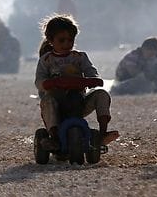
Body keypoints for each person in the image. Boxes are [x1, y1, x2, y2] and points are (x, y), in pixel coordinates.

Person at [34, 14, 118, 150]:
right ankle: (54, 137)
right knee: (48, 100)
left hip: (79, 101)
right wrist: (48, 83)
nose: (67, 44)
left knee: (101, 94)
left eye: (70, 40)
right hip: (57, 102)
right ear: (51, 40)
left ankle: (102, 132)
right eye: (62, 40)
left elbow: (91, 71)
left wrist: (93, 79)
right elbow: (39, 80)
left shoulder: (79, 57)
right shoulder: (46, 60)